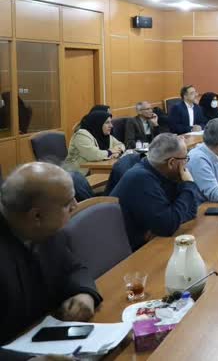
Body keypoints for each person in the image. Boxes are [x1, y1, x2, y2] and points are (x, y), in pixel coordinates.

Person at [0, 163, 102, 346]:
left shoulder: (47, 230)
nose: (75, 205)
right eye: (67, 203)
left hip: (53, 338)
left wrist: (85, 294)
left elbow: (74, 268)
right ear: (37, 216)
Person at [111, 134, 200, 250]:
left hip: (149, 243)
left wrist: (170, 220)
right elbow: (168, 226)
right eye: (185, 159)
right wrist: (188, 184)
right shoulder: (141, 178)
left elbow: (191, 210)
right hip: (130, 251)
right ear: (171, 163)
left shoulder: (164, 174)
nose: (186, 164)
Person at [63, 110, 124, 175]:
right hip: (76, 174)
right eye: (107, 123)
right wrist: (110, 152)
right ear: (98, 123)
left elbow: (121, 145)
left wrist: (117, 152)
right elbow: (94, 155)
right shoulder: (82, 135)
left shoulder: (105, 135)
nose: (111, 126)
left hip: (95, 171)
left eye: (111, 122)